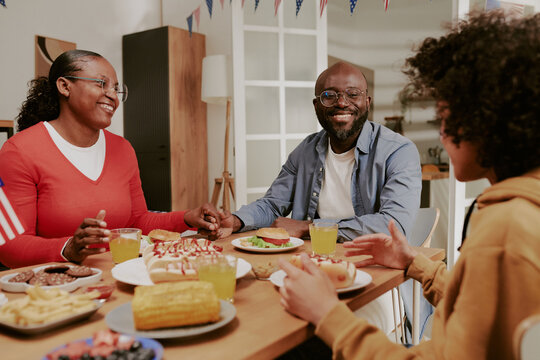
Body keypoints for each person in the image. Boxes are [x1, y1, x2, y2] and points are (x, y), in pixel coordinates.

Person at [278, 10, 540, 359]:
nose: (442, 132)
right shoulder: (521, 214)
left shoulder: (504, 234)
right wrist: (415, 262)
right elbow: (480, 304)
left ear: (488, 121)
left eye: (446, 117)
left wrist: (328, 314)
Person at [212, 61, 424, 336]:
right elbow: (273, 203)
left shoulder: (399, 151)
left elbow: (392, 226)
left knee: (335, 337)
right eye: (329, 95)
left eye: (353, 94)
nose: (341, 103)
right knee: (262, 322)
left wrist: (309, 227)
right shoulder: (306, 151)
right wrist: (237, 220)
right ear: (316, 105)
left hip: (375, 276)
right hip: (312, 267)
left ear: (367, 101)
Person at [0, 49, 220, 268]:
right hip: (56, 291)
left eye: (116, 89)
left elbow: (136, 222)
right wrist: (68, 248)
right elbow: (8, 246)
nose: (113, 96)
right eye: (101, 84)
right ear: (64, 86)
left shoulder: (123, 149)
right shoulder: (18, 151)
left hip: (120, 277)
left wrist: (187, 218)